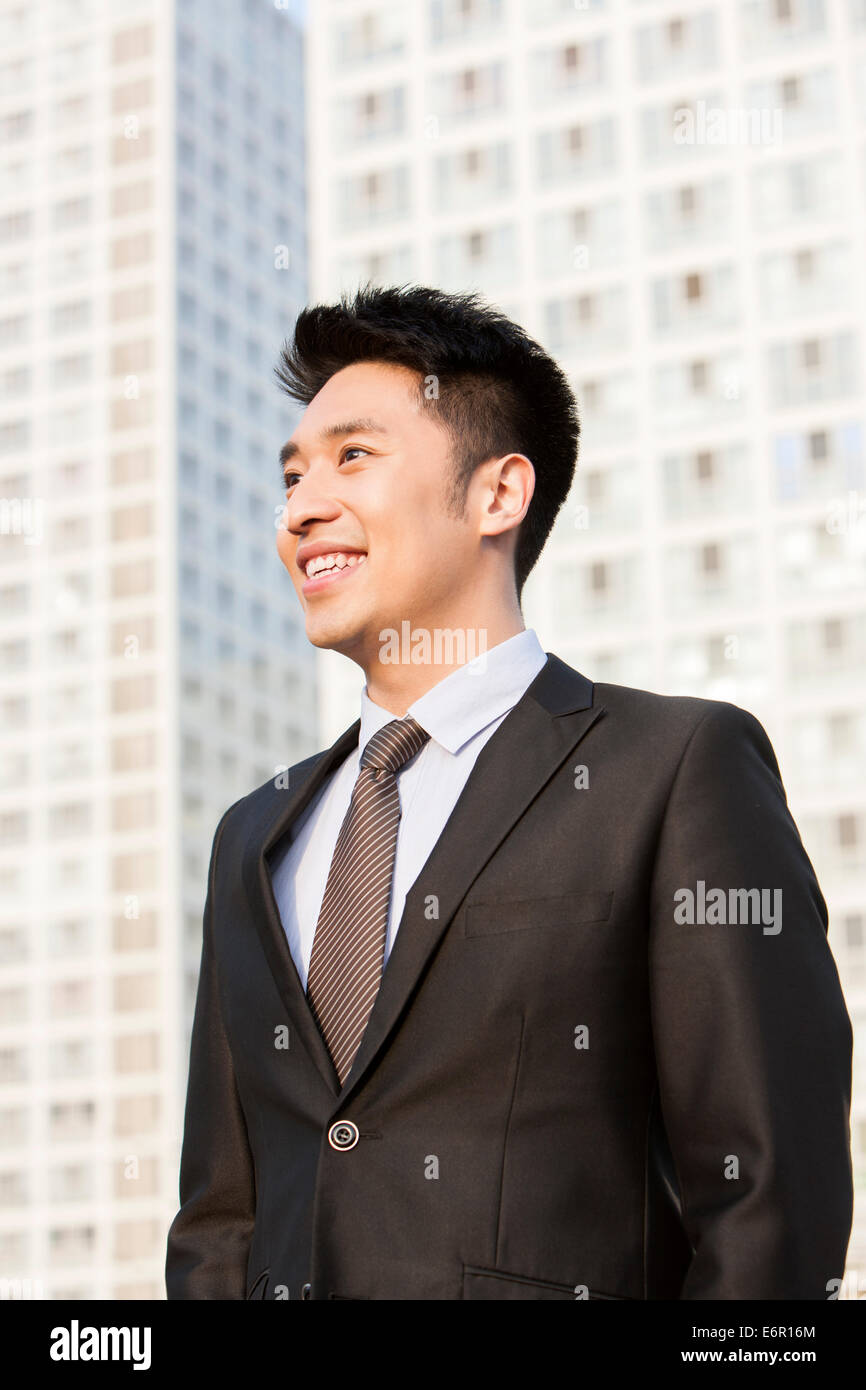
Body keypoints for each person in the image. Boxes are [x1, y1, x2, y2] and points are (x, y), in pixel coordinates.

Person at [165, 284, 853, 1300]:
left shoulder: (671, 771)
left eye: (352, 457)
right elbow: (222, 1215)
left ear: (497, 494)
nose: (302, 506)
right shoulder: (254, 834)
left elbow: (765, 1204)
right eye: (292, 475)